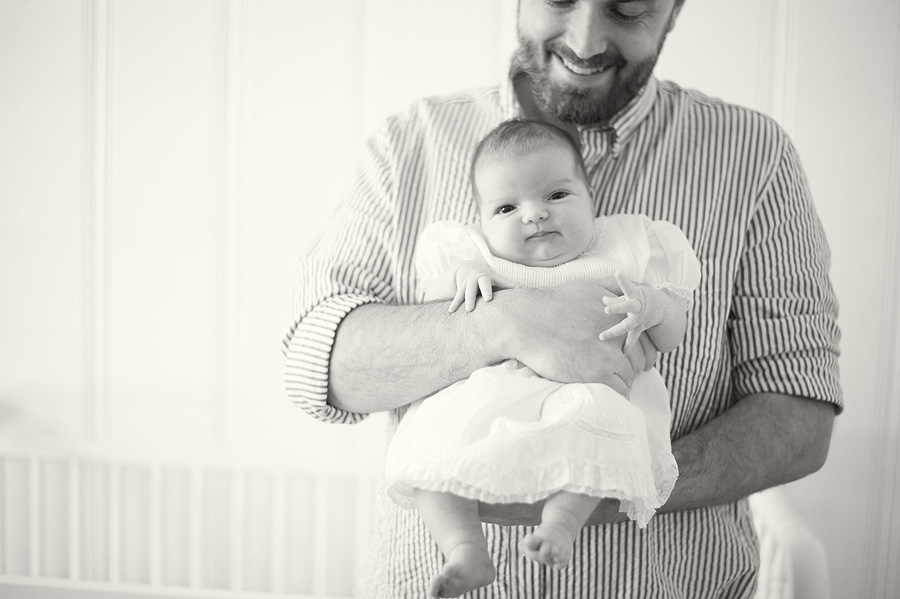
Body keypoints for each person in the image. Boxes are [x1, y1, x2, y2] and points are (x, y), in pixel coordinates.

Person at [283, 1, 842, 597]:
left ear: (675, 8)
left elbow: (801, 417)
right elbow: (315, 364)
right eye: (559, 0)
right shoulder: (408, 143)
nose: (585, 40)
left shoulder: (753, 158)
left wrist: (604, 474)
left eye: (627, 8)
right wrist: (505, 323)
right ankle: (463, 549)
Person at [383, 118, 701, 598]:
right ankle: (464, 549)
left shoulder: (627, 249)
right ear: (481, 220)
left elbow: (672, 333)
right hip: (488, 397)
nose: (534, 214)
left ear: (591, 198)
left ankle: (561, 525)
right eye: (506, 207)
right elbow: (433, 308)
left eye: (556, 195)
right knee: (429, 447)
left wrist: (653, 307)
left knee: (601, 433)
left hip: (590, 394)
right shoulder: (476, 257)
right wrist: (462, 277)